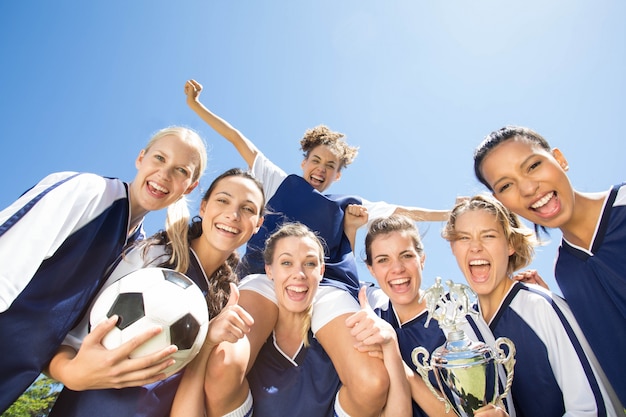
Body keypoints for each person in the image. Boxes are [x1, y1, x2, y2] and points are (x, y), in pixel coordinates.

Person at [184, 79, 452, 416]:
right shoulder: (281, 183)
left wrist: (450, 214)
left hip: (323, 287)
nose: (321, 169)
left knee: (372, 382)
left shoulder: (347, 206)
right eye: (316, 160)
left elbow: (402, 211)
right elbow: (240, 140)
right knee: (223, 367)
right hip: (265, 279)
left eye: (330, 166)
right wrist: (197, 107)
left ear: (338, 176)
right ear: (303, 162)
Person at [0, 126, 207, 414]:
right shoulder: (88, 191)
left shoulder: (135, 254)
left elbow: (61, 335)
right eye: (159, 158)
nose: (164, 174)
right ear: (140, 158)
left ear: (190, 186)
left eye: (181, 170)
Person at [45, 168, 265, 417]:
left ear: (258, 224)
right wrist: (70, 374)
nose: (233, 215)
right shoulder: (153, 255)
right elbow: (64, 340)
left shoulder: (227, 299)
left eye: (247, 208)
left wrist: (209, 343)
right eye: (223, 200)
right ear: (203, 207)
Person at [473, 125, 626, 408]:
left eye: (533, 166)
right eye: (506, 185)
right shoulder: (566, 271)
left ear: (560, 159)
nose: (529, 188)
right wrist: (561, 306)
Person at [442, 194, 621, 416]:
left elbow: (595, 409)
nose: (475, 247)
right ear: (452, 247)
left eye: (488, 235)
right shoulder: (462, 331)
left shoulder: (542, 307)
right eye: (463, 238)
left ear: (511, 244)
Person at [346, 213, 514, 417]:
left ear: (422, 259)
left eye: (406, 256)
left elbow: (486, 410)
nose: (397, 268)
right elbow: (336, 275)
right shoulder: (375, 314)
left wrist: (399, 366)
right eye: (383, 260)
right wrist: (350, 229)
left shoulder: (455, 316)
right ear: (371, 270)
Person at [172, 222, 341, 417]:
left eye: (310, 263)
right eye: (286, 263)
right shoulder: (248, 349)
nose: (299, 274)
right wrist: (208, 341)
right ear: (269, 270)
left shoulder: (333, 346)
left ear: (321, 271)